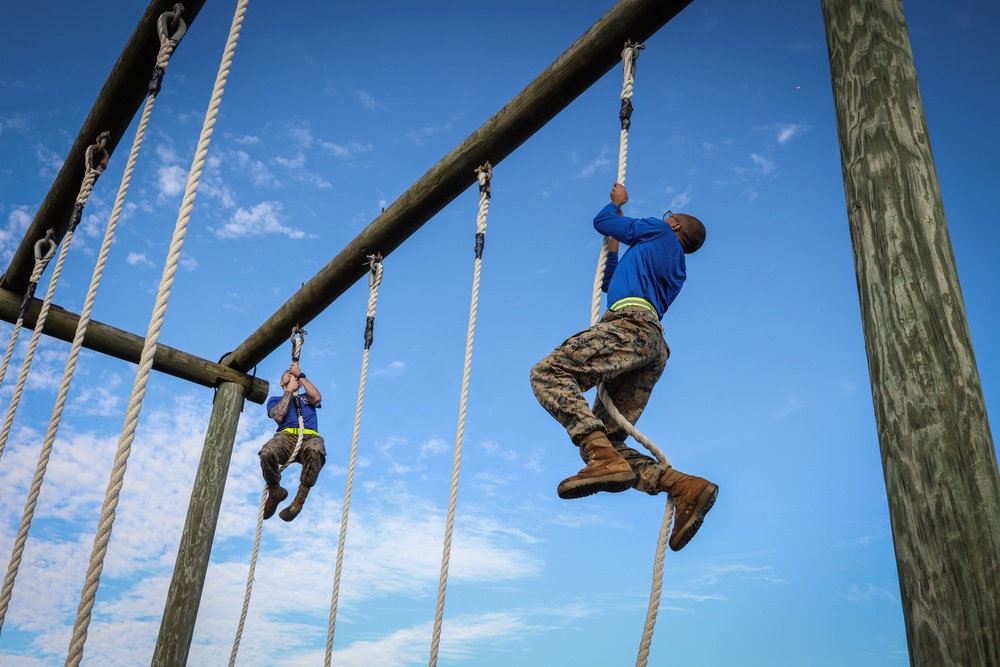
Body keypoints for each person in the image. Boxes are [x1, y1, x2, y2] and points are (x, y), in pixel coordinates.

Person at [530, 182, 717, 552]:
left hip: (629, 328)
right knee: (610, 443)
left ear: (675, 226)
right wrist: (613, 246)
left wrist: (615, 205)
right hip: (652, 345)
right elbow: (610, 282)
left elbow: (603, 221)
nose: (665, 219)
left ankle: (600, 457)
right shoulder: (673, 266)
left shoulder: (659, 230)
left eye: (670, 217)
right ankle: (682, 485)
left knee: (549, 373)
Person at [259, 361, 326, 522]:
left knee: (316, 450)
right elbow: (278, 415)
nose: (291, 373)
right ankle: (275, 492)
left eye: (292, 373)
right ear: (281, 382)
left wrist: (301, 375)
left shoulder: (306, 398)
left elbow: (317, 397)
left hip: (309, 438)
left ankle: (298, 501)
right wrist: (288, 391)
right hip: (286, 438)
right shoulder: (275, 400)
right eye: (287, 374)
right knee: (267, 453)